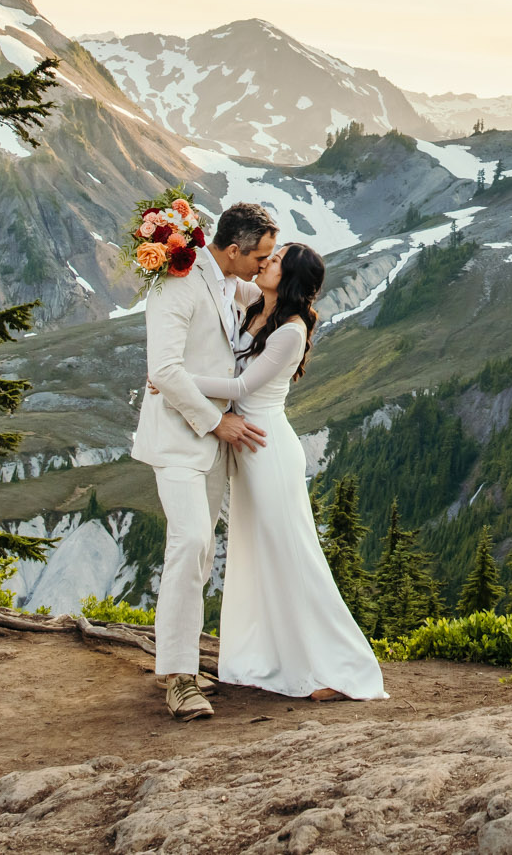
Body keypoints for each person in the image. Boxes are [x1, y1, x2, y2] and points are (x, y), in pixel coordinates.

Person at [187, 242, 387, 703]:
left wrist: (178, 378)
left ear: (292, 278)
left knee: (292, 555)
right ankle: (266, 658)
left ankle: (337, 668)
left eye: (275, 261)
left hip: (269, 449)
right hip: (247, 449)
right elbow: (217, 273)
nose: (265, 263)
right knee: (256, 555)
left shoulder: (291, 331)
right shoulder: (255, 305)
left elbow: (240, 386)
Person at [130, 201, 274, 721]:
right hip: (179, 437)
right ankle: (180, 679)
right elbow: (165, 370)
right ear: (233, 250)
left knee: (202, 550)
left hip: (212, 445)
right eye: (261, 256)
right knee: (188, 541)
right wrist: (216, 422)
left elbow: (268, 294)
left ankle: (182, 659)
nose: (264, 265)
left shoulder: (227, 280)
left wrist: (294, 277)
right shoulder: (178, 283)